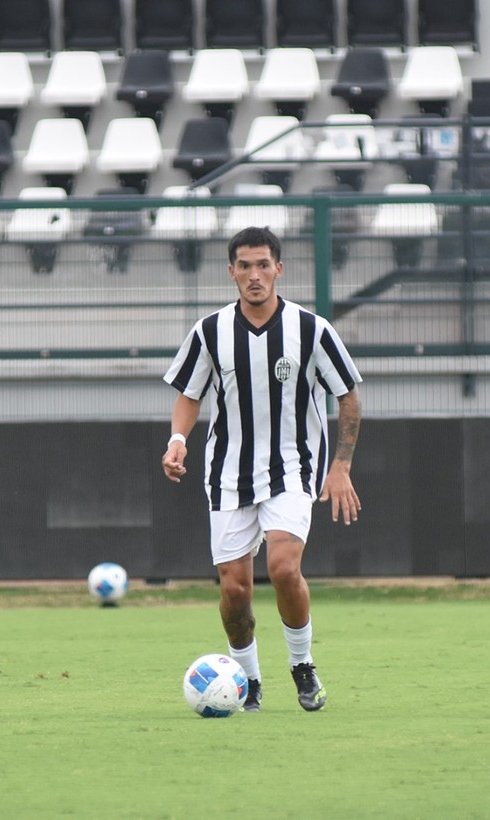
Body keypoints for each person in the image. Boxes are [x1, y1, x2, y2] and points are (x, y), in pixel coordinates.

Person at [161, 226, 363, 713]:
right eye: (245, 266)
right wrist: (177, 440)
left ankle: (302, 665)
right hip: (228, 472)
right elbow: (189, 394)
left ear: (279, 268)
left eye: (264, 264)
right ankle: (247, 680)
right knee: (234, 587)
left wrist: (340, 466)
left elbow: (349, 398)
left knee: (283, 567)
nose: (255, 275)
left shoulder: (311, 329)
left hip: (293, 468)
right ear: (231, 272)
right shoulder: (209, 331)